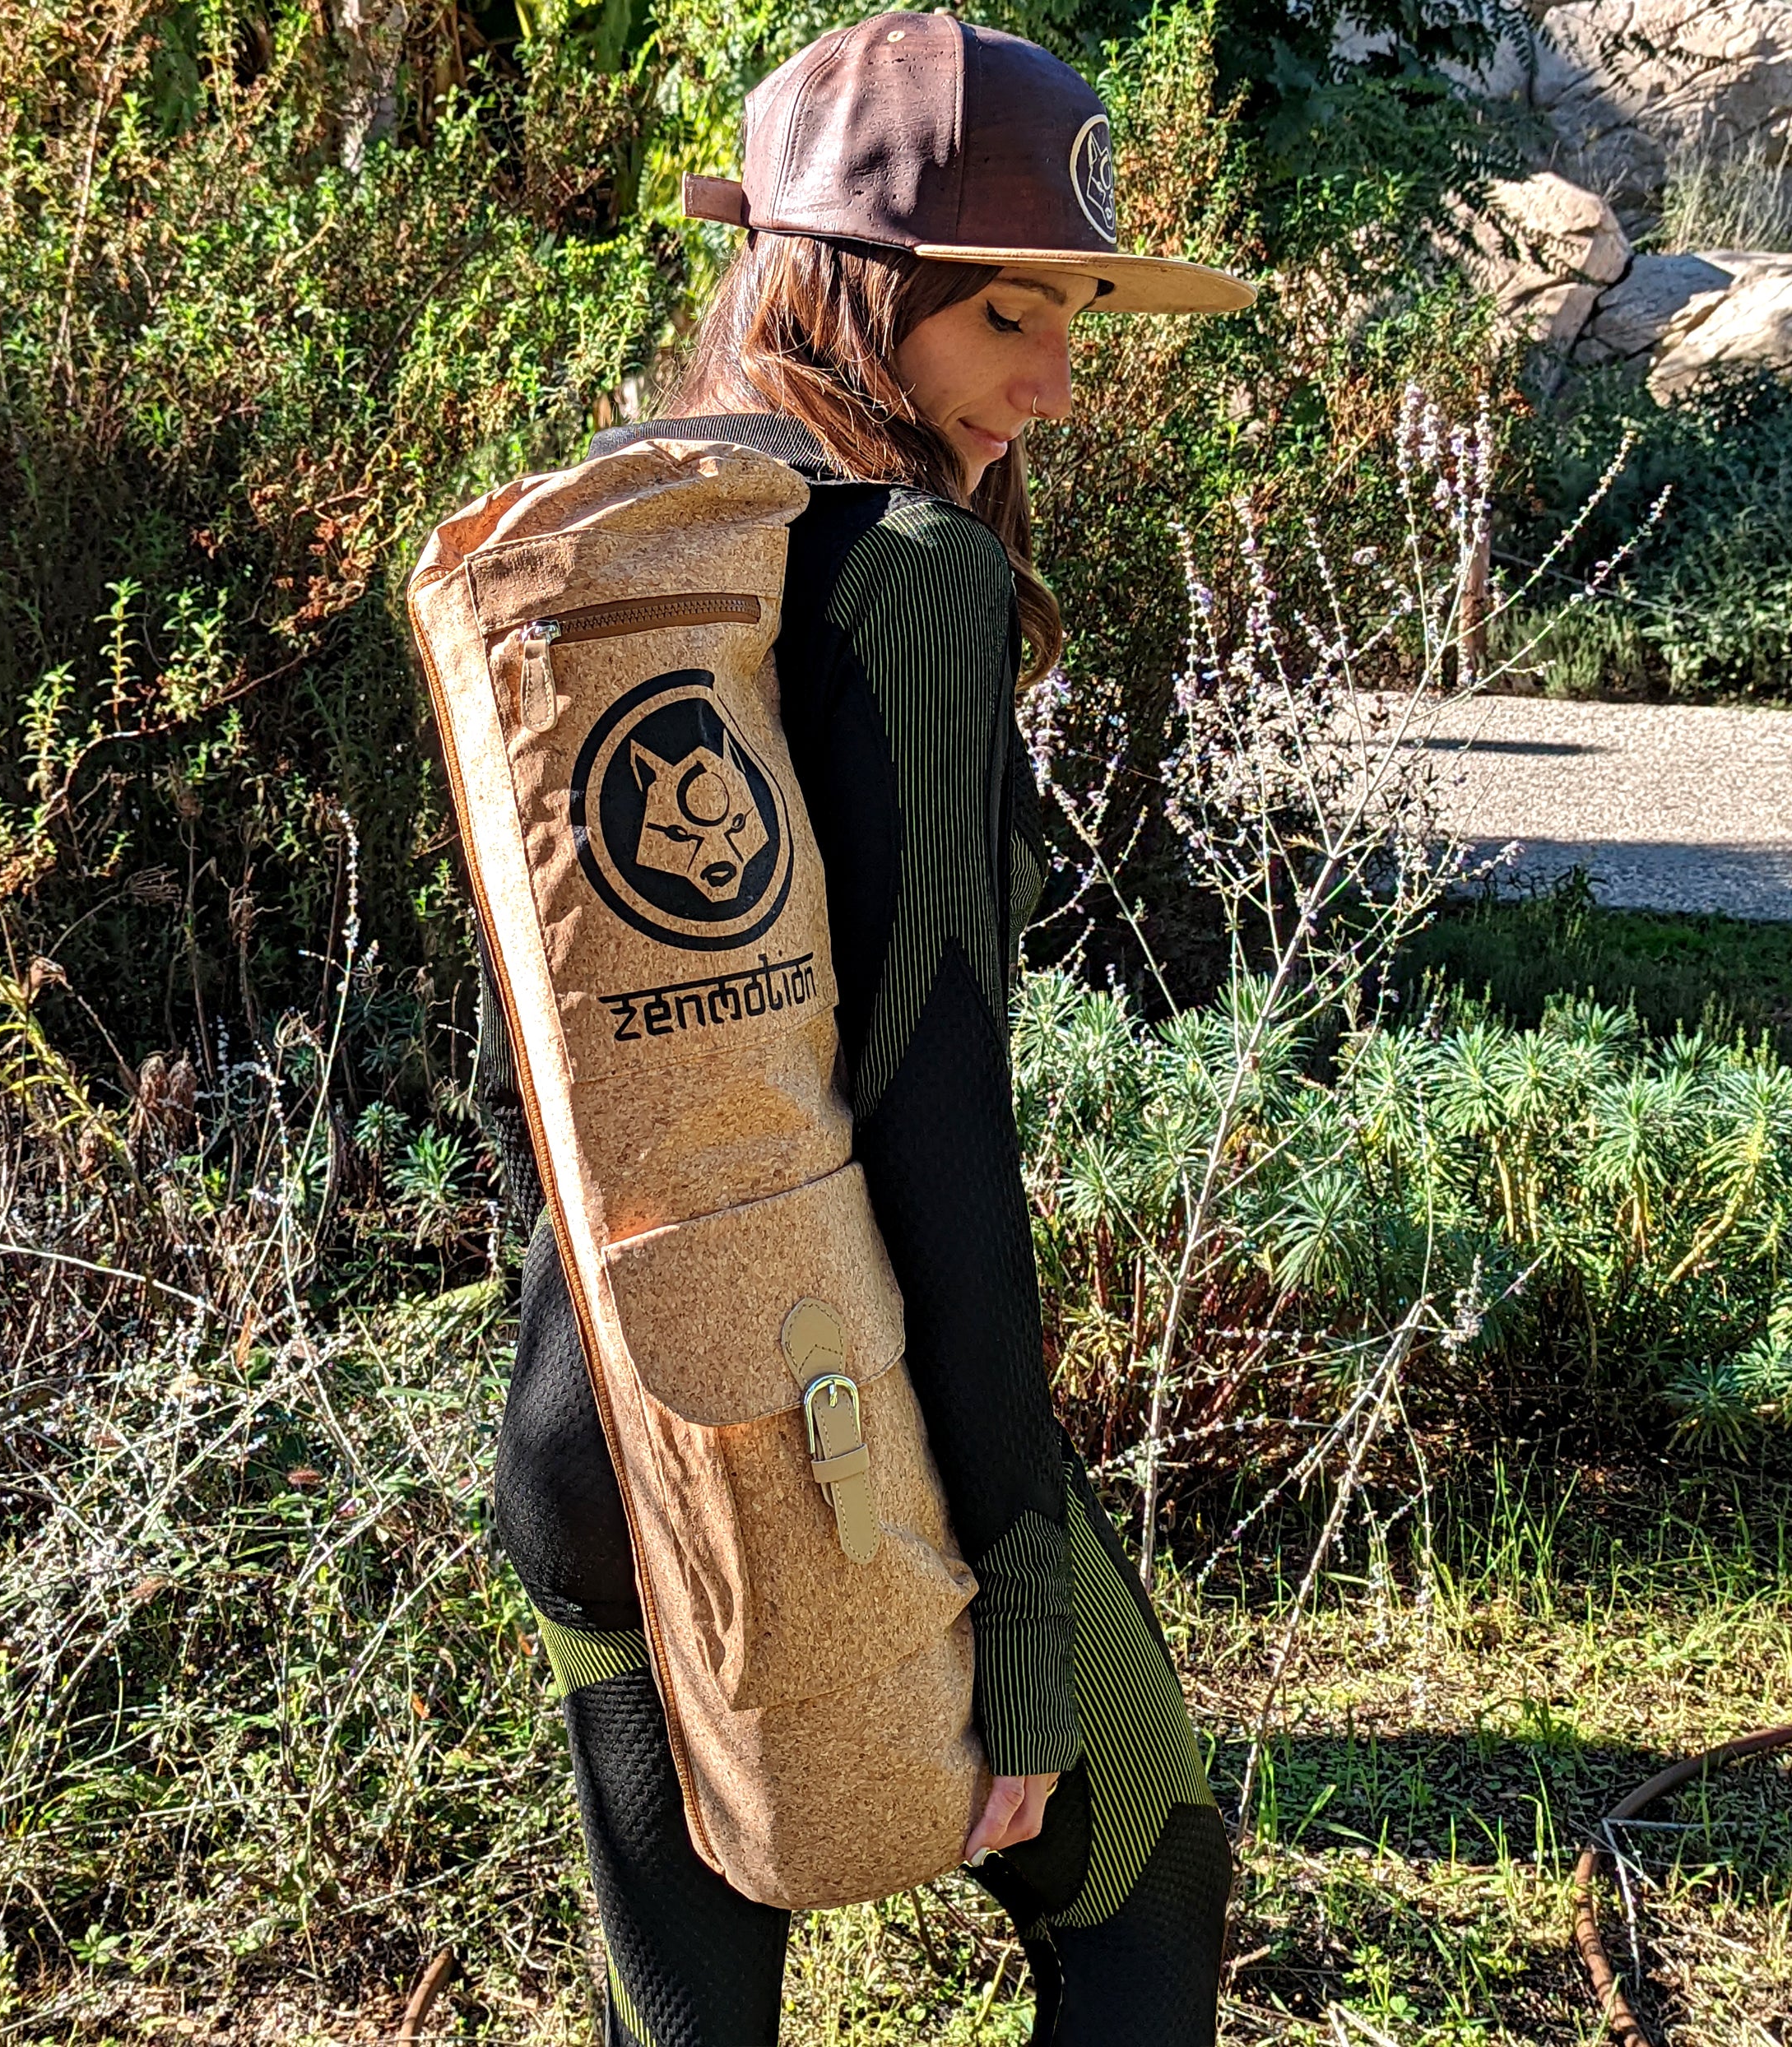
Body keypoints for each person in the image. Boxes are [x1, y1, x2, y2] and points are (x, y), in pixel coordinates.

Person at [472, 13, 1252, 2043]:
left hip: (592, 1416)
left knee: (694, 1999)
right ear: (852, 287)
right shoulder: (906, 581)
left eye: (1073, 315)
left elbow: (544, 1064)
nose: (1055, 374)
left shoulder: (623, 561)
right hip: (836, 1427)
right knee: (1147, 1878)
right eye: (1010, 313)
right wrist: (1011, 1569)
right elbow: (929, 1122)